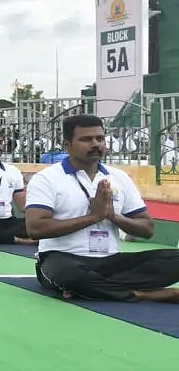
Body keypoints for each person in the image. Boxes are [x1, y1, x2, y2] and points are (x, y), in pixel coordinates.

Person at [26, 114, 179, 302]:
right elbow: (35, 229)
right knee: (70, 275)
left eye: (100, 138)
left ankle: (95, 288)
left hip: (111, 261)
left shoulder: (119, 178)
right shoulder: (47, 179)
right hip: (63, 258)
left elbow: (147, 229)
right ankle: (143, 293)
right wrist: (93, 217)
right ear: (67, 145)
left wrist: (114, 217)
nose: (95, 144)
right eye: (86, 139)